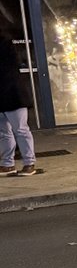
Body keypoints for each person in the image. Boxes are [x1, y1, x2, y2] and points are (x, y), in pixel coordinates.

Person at [0, 35, 39, 177]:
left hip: (13, 95)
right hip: (4, 97)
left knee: (20, 130)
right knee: (4, 132)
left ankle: (29, 163)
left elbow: (9, 69)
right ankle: (7, 164)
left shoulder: (6, 44)